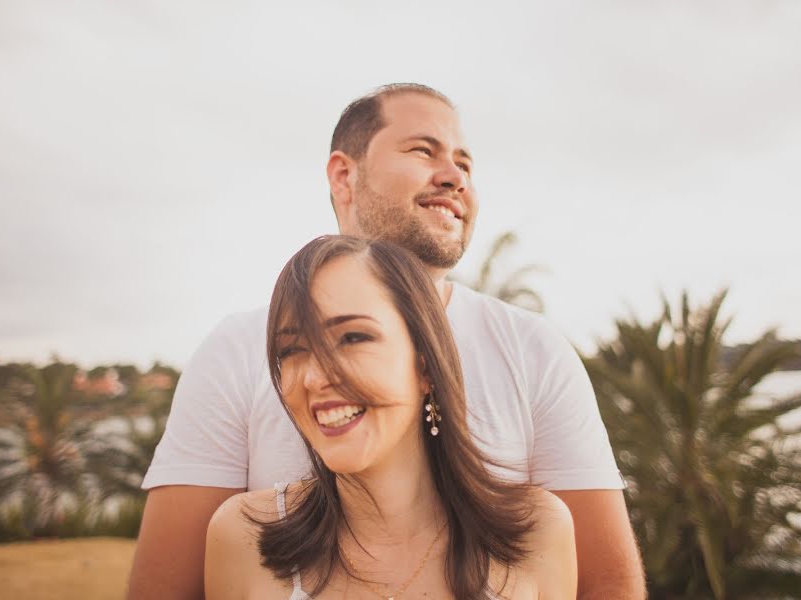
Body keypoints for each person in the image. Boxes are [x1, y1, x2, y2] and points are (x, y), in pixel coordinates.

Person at [127, 83, 645, 599]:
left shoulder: (535, 351)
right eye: (424, 150)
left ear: (426, 364)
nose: (454, 176)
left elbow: (606, 585)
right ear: (344, 175)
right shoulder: (235, 351)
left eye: (465, 164)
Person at [205, 234, 577, 599]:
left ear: (426, 364)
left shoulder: (538, 532)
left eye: (352, 338)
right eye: (291, 350)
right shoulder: (243, 538)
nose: (315, 378)